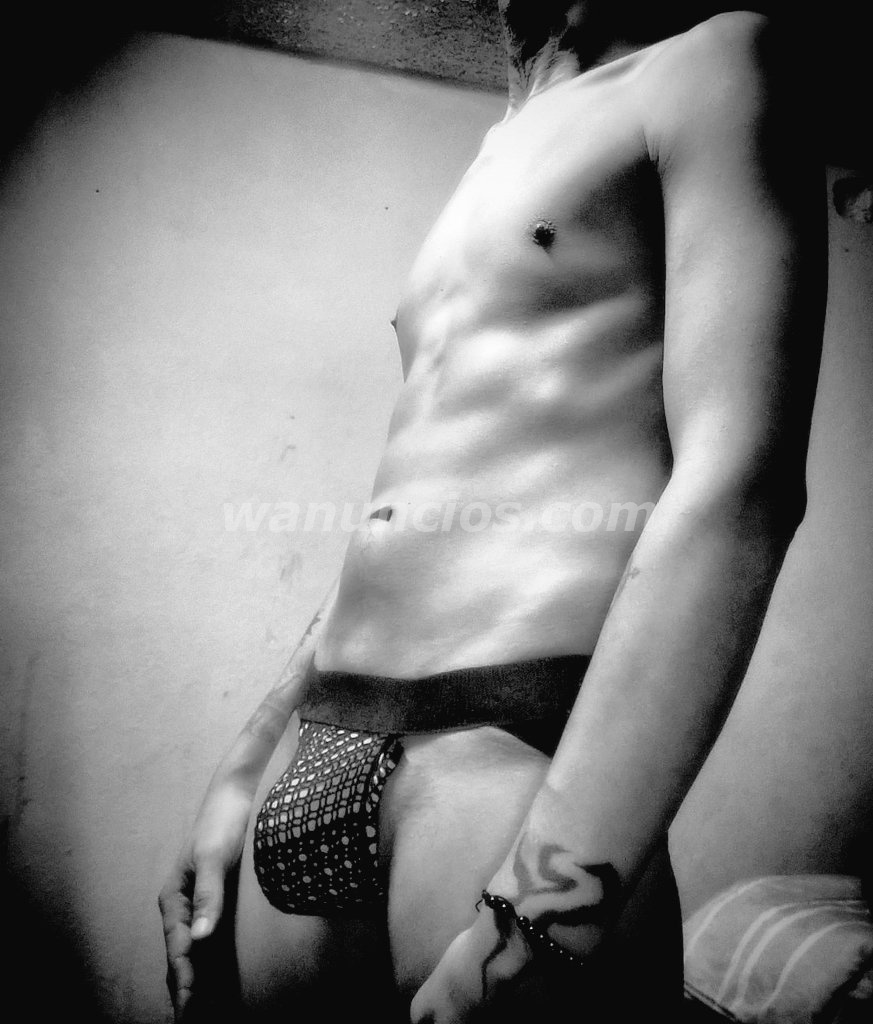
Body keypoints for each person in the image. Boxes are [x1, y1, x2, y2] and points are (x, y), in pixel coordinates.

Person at [159, 2, 826, 1020]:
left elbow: (739, 486)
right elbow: (408, 514)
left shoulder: (706, 66)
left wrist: (542, 919)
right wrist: (236, 779)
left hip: (500, 756)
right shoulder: (490, 156)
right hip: (321, 743)